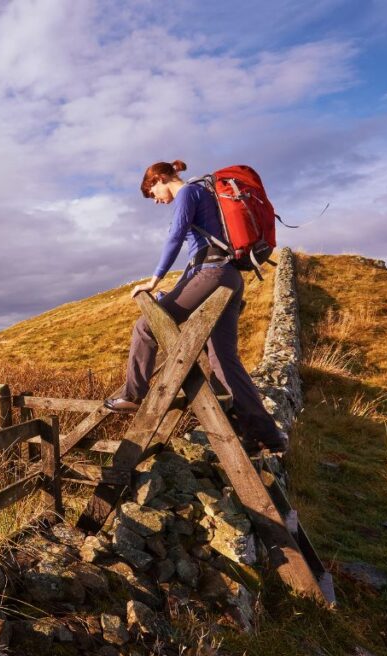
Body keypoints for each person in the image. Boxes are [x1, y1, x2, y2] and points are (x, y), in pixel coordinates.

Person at [102, 159, 285, 452]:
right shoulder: (206, 193)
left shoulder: (187, 193)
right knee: (223, 359)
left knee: (146, 326)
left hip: (211, 274)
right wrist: (173, 291)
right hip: (230, 277)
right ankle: (265, 435)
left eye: (153, 193)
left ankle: (133, 394)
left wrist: (154, 280)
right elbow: (198, 256)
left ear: (160, 179)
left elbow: (175, 236)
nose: (157, 201)